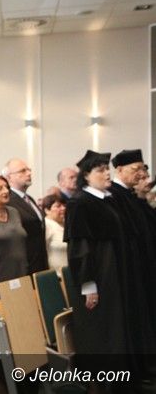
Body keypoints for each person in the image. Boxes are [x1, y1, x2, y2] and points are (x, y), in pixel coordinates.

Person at [63, 150, 130, 389]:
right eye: (100, 170)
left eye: (106, 168)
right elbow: (80, 249)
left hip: (111, 274)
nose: (106, 173)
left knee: (113, 333)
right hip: (96, 277)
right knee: (98, 335)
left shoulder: (106, 199)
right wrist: (88, 285)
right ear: (86, 176)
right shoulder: (79, 203)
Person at [108, 149, 156, 380]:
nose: (140, 174)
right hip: (129, 270)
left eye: (143, 169)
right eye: (135, 169)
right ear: (119, 170)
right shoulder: (114, 195)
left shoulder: (130, 195)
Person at [3, 158, 48, 274]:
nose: (29, 173)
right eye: (22, 171)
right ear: (9, 177)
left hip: (39, 263)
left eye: (29, 170)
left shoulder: (29, 199)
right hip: (24, 266)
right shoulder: (8, 201)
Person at [42, 194, 67, 275]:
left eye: (64, 205)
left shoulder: (66, 224)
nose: (63, 208)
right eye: (58, 206)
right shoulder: (46, 225)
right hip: (55, 274)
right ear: (47, 210)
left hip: (67, 272)